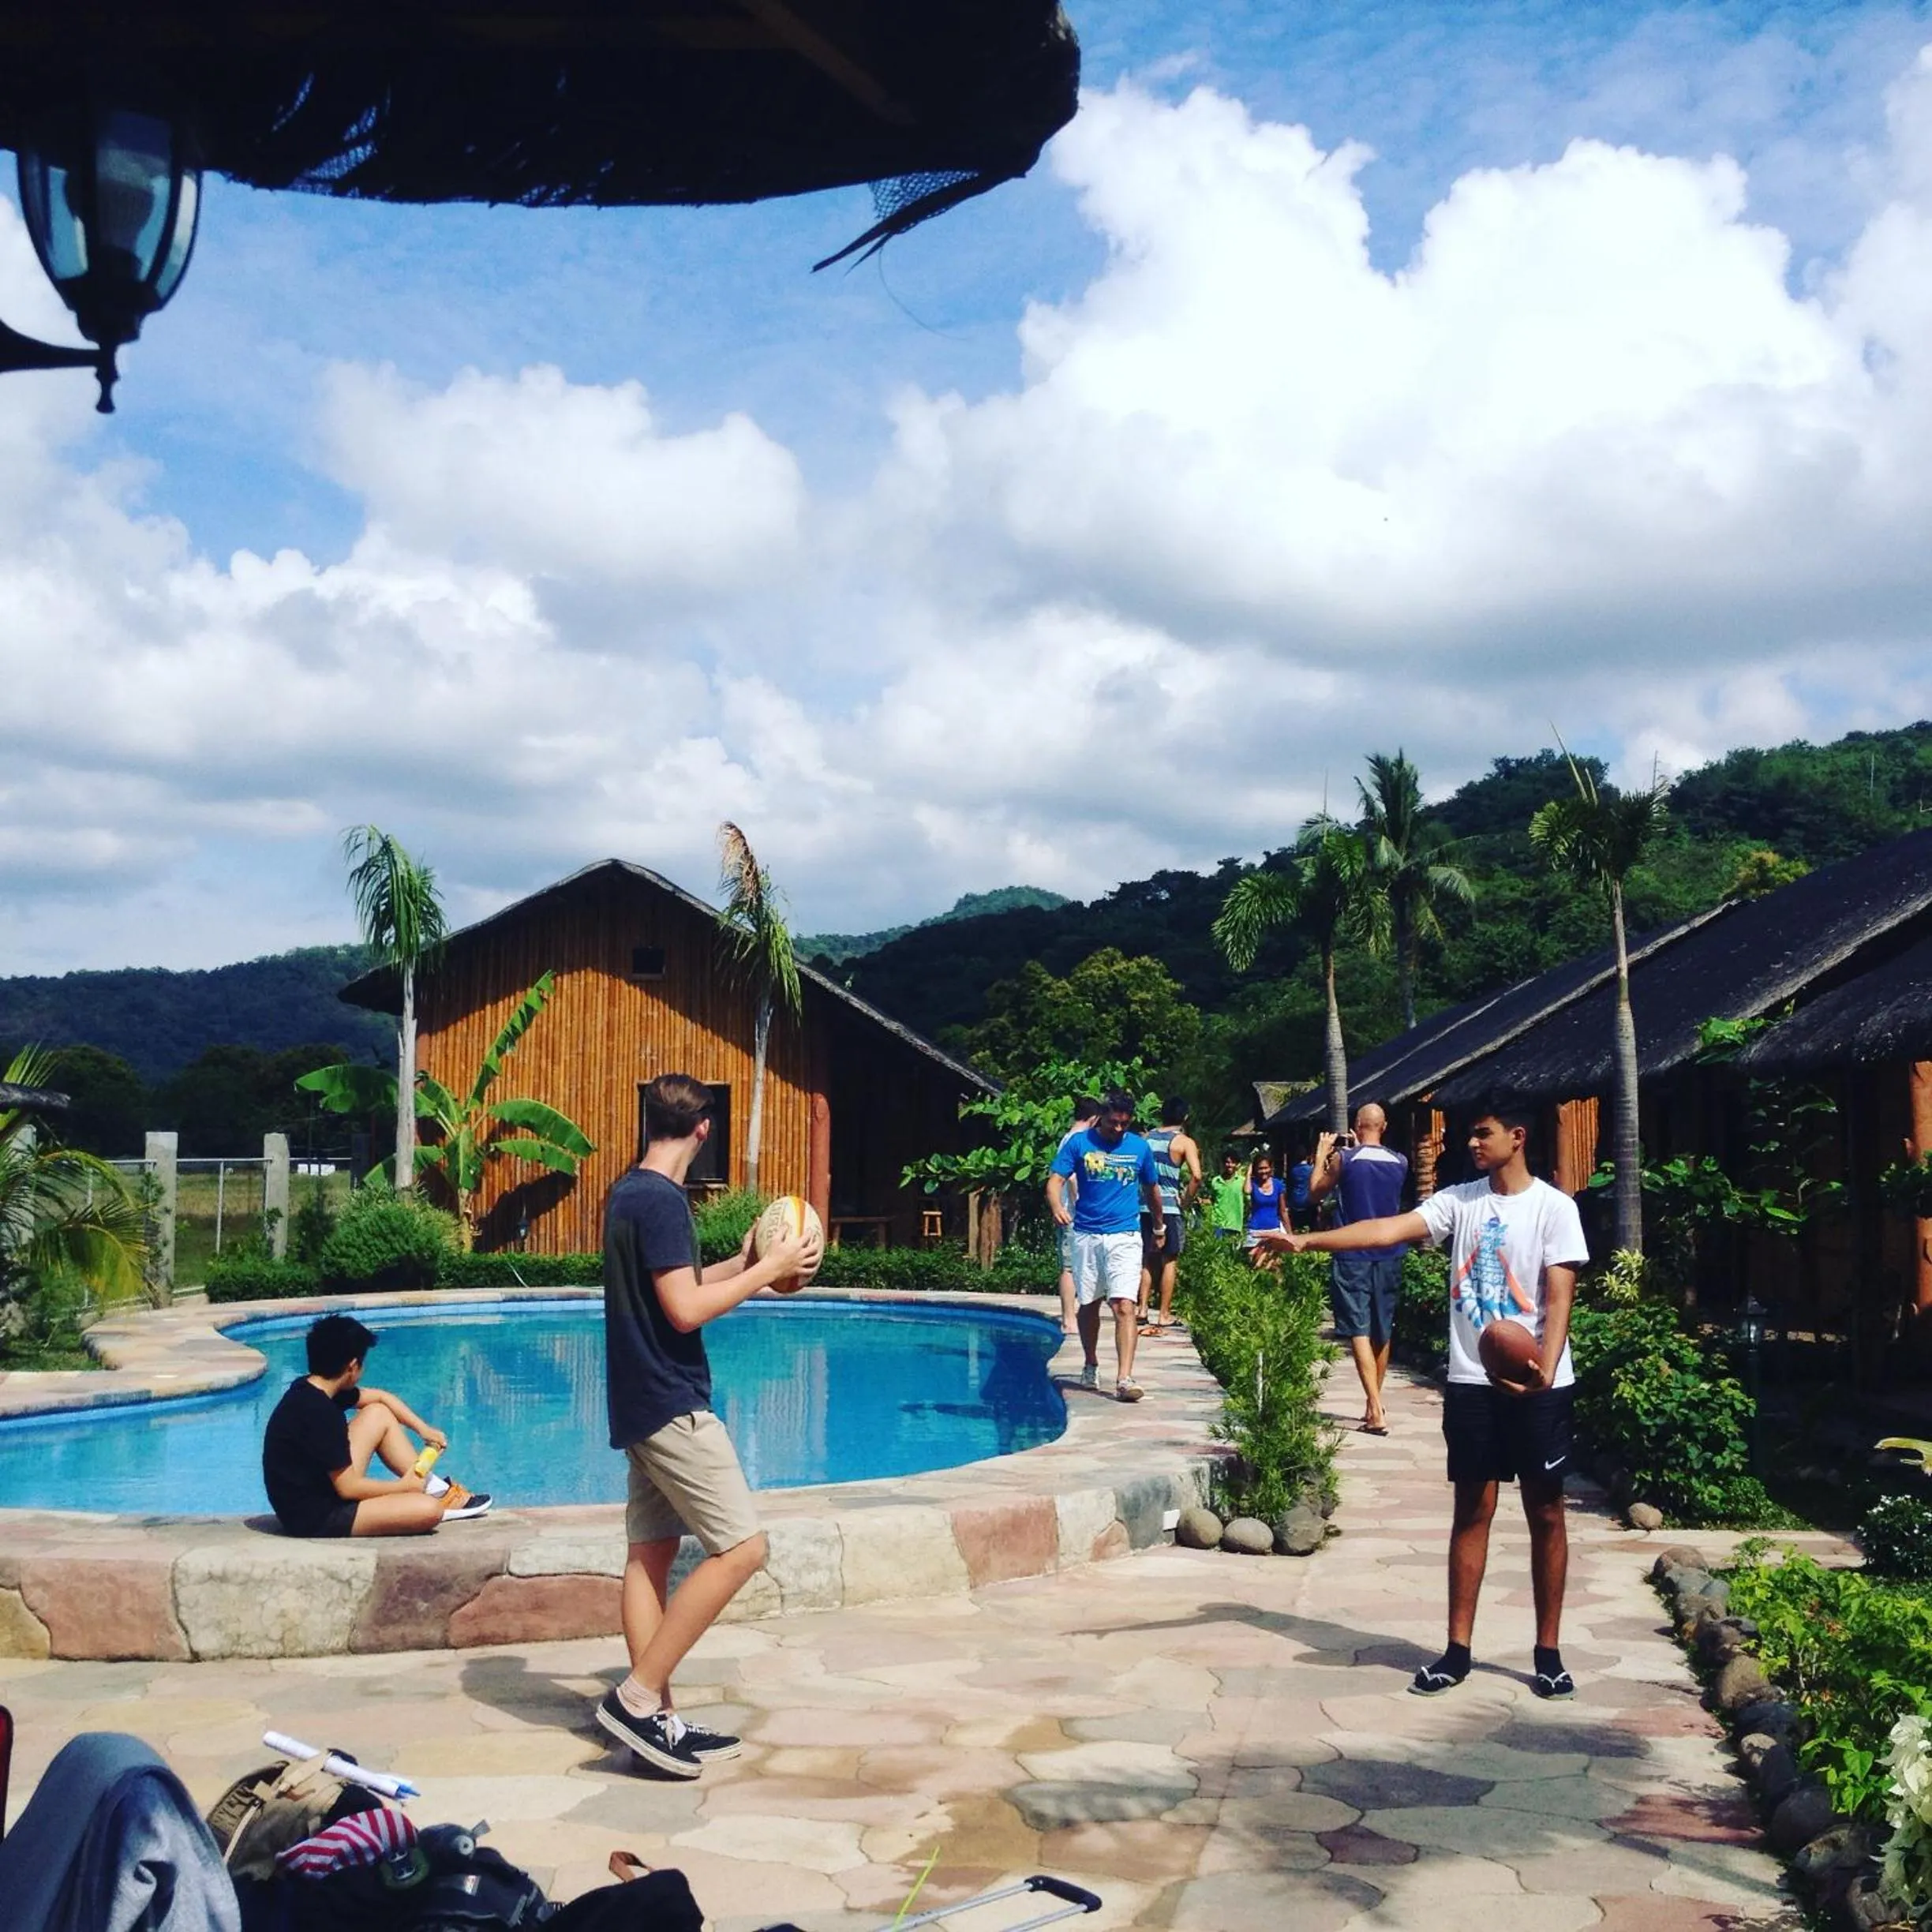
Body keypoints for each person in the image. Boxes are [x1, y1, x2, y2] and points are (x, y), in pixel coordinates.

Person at [1265, 1095, 1587, 1701]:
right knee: (1472, 1512)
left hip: (1541, 1385)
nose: (1472, 1143)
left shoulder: (1555, 1208)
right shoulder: (1458, 1202)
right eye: (1470, 1135)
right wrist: (1307, 1243)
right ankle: (1457, 1650)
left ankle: (1548, 1652)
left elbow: (1559, 1293)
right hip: (1472, 1382)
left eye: (1483, 1133)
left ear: (1517, 1137)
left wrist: (1543, 1369)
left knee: (1547, 1514)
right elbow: (1385, 1229)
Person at [595, 1073, 823, 1778]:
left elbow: (681, 1285)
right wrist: (774, 1271)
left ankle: (658, 1722)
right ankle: (636, 1700)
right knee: (742, 1549)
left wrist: (749, 1260)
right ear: (704, 1130)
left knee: (651, 1556)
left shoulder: (629, 1193)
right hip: (672, 1403)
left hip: (638, 1399)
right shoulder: (663, 1202)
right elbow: (687, 1313)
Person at [260, 1313, 491, 1538]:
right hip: (315, 1516)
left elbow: (381, 1398)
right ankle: (431, 1496)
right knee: (430, 1511)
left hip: (317, 1489)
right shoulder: (320, 1413)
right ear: (352, 1367)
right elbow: (348, 1488)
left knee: (378, 1414)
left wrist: (423, 1429)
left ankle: (436, 1489)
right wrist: (403, 1487)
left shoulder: (313, 1388)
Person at [1046, 1088, 1163, 1402]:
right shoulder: (1079, 1143)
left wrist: (1159, 1224)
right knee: (1090, 1303)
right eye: (1114, 1122)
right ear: (1101, 1117)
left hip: (1125, 1234)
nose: (1119, 1129)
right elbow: (1055, 1180)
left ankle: (1124, 1378)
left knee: (1124, 1305)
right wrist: (1057, 1205)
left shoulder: (1139, 1147)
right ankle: (1091, 1361)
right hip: (1086, 1233)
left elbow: (1152, 1188)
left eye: (1125, 1123)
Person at [1308, 1103, 1410, 1436]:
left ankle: (1376, 1410)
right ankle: (1373, 1403)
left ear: (1356, 1124)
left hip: (1352, 1253)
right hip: (1390, 1252)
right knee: (1383, 1328)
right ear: (1384, 1126)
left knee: (1359, 1329)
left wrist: (1322, 1153)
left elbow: (1313, 1193)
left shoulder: (1345, 1160)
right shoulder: (1401, 1162)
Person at [1139, 1096, 1202, 1333]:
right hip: (1169, 1207)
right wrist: (1185, 1200)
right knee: (1170, 1259)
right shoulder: (1184, 1142)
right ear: (1185, 1117)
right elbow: (1196, 1176)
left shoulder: (1146, 1139)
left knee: (1148, 1258)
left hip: (1144, 1206)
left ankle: (1142, 1308)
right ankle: (1163, 1314)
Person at [1052, 1096, 1102, 1335]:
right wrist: (1079, 1202)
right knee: (1070, 1267)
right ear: (1094, 1118)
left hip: (1069, 1212)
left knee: (1075, 1266)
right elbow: (1071, 1177)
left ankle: (1071, 1316)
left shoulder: (1067, 1137)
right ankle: (1069, 1319)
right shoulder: (1076, 1140)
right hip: (1072, 1214)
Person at [1243, 1153, 1286, 1269]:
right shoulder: (1253, 1184)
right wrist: (1248, 1173)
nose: (1263, 1171)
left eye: (1266, 1168)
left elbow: (1283, 1210)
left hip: (1274, 1230)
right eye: (1260, 1168)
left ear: (1271, 1168)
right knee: (1255, 1266)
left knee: (1274, 1267)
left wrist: (1290, 1234)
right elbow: (1247, 1191)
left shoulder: (1278, 1184)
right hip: (1256, 1231)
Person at [1207, 1151, 1246, 1244]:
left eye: (1233, 1163)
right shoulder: (1216, 1181)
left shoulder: (1242, 1182)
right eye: (1227, 1162)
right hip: (1218, 1223)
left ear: (1237, 1164)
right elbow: (1212, 1200)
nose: (1230, 1165)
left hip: (1234, 1224)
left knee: (1231, 1255)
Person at [1287, 1144, 1317, 1232]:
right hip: (1308, 1202)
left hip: (1295, 1202)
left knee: (1297, 1227)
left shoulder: (1293, 1171)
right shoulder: (1310, 1170)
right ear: (1307, 1156)